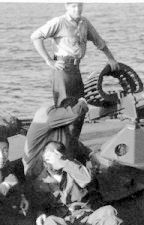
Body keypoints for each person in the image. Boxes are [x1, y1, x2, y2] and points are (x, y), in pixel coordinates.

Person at [34, 141, 131, 225]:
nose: (50, 159)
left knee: (108, 211)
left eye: (56, 154)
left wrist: (64, 162)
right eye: (48, 155)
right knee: (50, 223)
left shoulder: (72, 167)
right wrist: (40, 214)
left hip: (87, 223)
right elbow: (40, 205)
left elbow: (86, 179)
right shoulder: (41, 181)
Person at [31, 2, 121, 139]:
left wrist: (111, 59)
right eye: (73, 6)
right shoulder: (59, 22)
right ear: (67, 7)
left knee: (80, 107)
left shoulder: (84, 23)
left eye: (79, 6)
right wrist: (49, 60)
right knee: (65, 110)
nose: (77, 9)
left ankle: (73, 144)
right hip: (62, 69)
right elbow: (36, 36)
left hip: (75, 69)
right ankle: (61, 146)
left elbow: (99, 41)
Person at [22, 97, 90, 187]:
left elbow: (70, 140)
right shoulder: (45, 115)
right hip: (35, 172)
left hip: (47, 168)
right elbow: (72, 114)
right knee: (54, 150)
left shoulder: (58, 124)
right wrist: (82, 103)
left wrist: (90, 153)